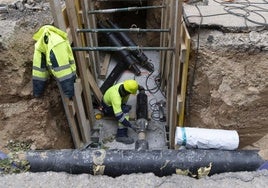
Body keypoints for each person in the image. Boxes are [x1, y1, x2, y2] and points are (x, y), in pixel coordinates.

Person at [100, 79, 144, 144]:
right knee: (125, 111)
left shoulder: (125, 85)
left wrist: (141, 89)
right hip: (107, 108)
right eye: (131, 93)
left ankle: (122, 106)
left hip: (113, 102)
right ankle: (121, 135)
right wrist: (131, 125)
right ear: (127, 92)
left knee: (125, 107)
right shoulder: (116, 98)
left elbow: (135, 86)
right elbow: (119, 117)